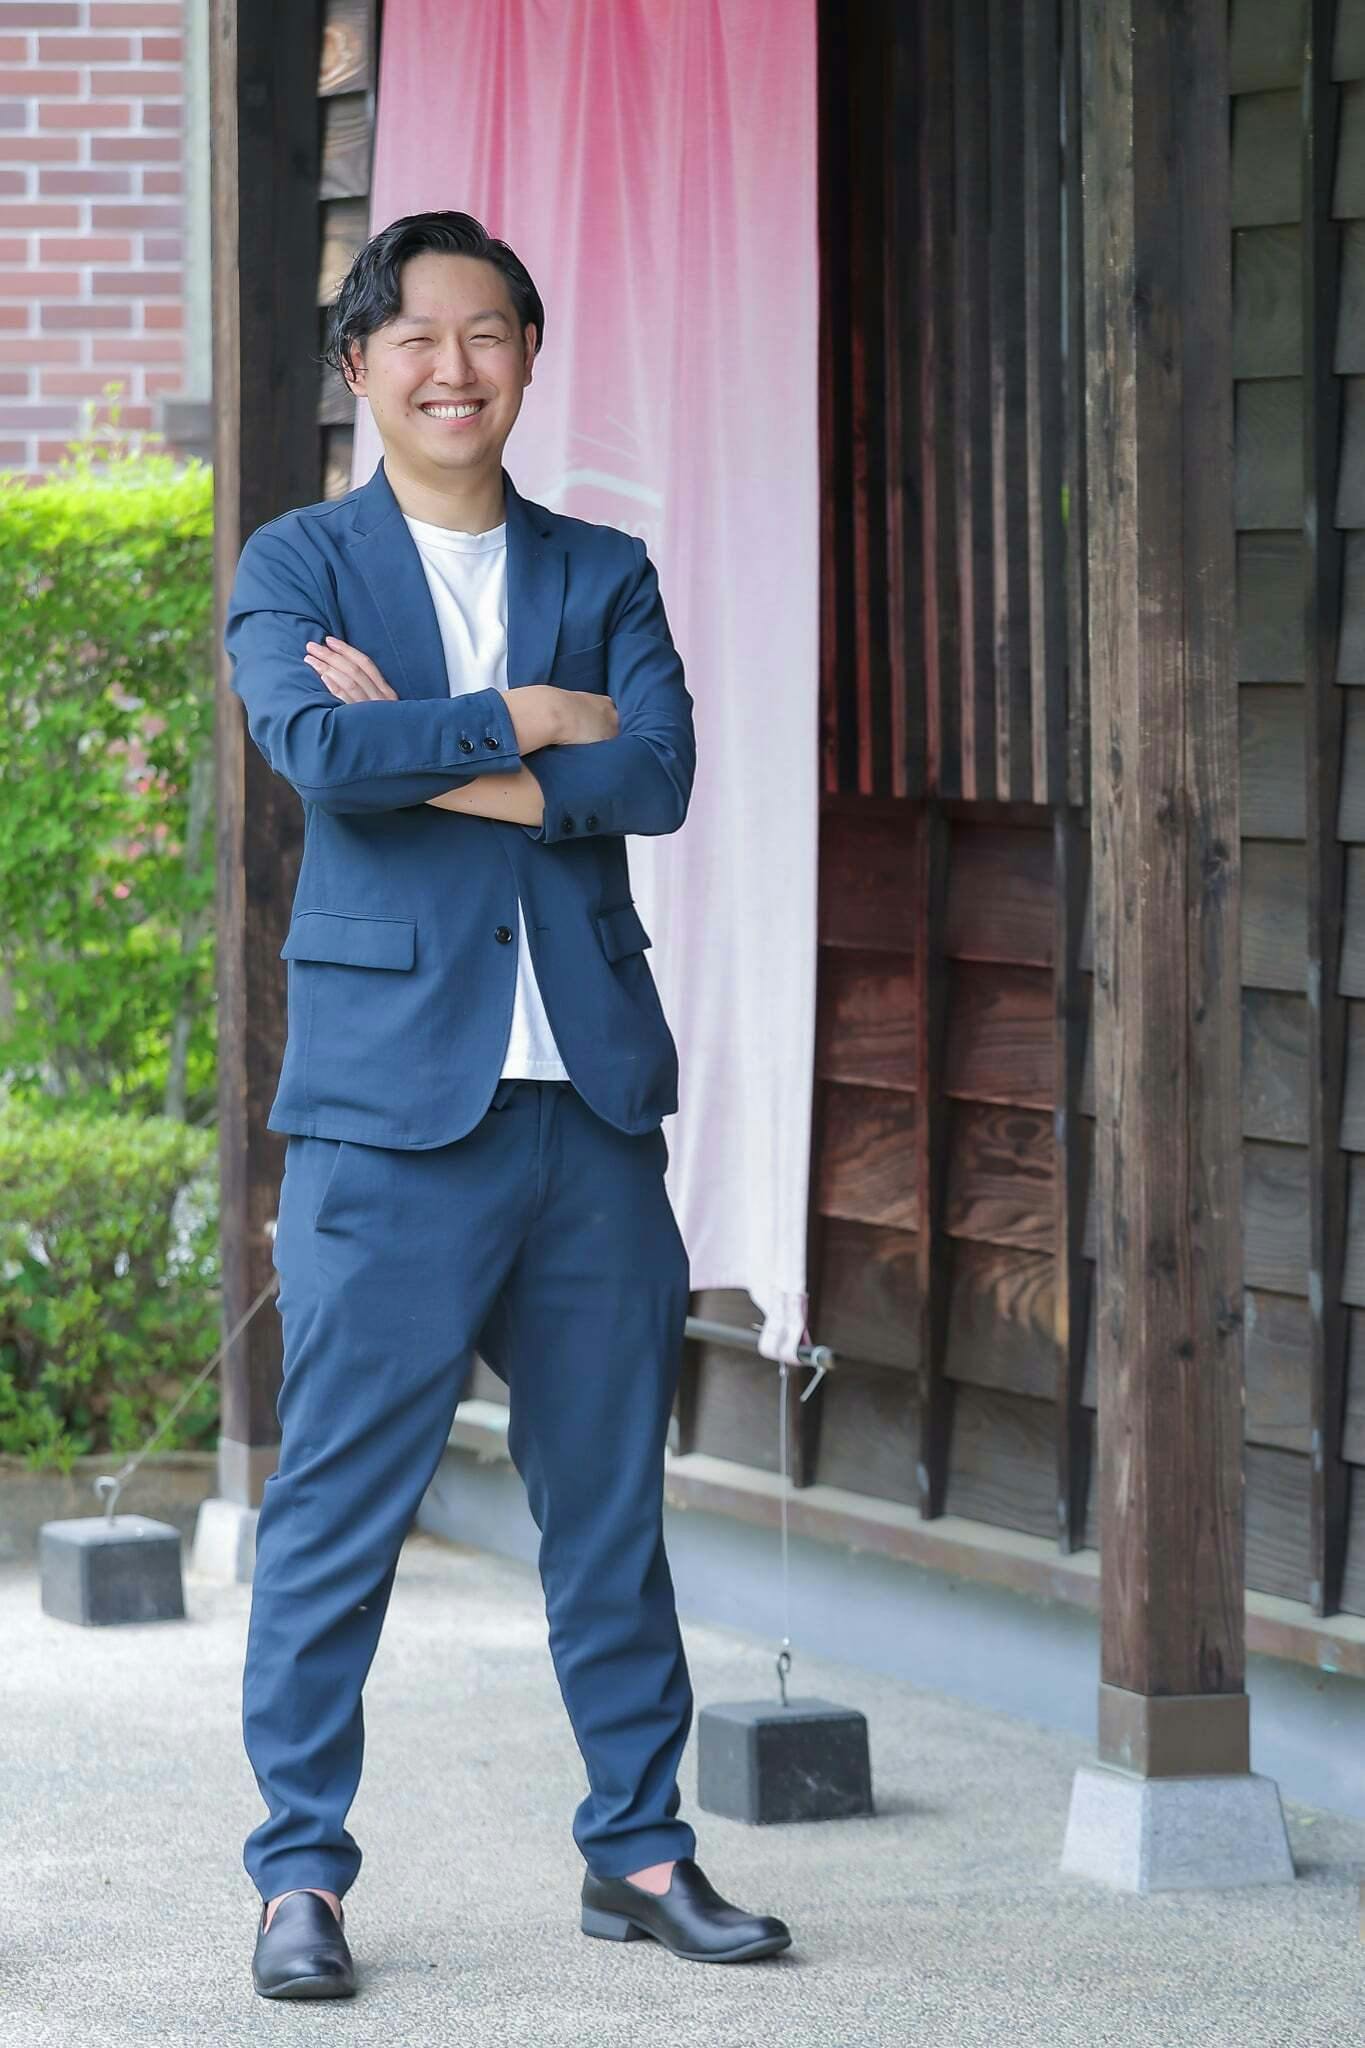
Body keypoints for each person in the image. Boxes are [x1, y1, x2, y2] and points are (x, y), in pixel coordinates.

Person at [224, 210, 792, 2000]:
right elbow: (318, 753)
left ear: (528, 358)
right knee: (336, 1511)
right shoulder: (300, 564)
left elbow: (657, 775)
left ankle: (639, 1849)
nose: (451, 366)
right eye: (414, 336)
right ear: (362, 367)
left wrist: (451, 739)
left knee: (608, 1508)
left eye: (485, 333)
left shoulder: (600, 567)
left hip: (590, 1114)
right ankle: (298, 1877)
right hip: (388, 1123)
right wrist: (533, 721)